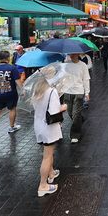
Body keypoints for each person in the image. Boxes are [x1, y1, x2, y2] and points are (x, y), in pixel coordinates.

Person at [31, 65, 67, 196]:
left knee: (48, 152)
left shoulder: (37, 89)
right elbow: (54, 111)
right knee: (47, 156)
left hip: (39, 125)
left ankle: (51, 173)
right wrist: (63, 107)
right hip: (48, 127)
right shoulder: (51, 91)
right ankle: (43, 185)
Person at [0, 51, 23, 142]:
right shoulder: (12, 68)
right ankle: (12, 127)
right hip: (10, 93)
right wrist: (23, 90)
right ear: (8, 58)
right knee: (12, 109)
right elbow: (18, 81)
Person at [64, 53, 91, 143]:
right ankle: (80, 119)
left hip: (79, 92)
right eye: (70, 53)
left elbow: (86, 79)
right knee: (70, 112)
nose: (71, 55)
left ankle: (75, 134)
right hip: (68, 92)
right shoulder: (66, 64)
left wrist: (87, 93)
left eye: (73, 53)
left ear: (78, 54)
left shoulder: (83, 65)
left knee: (75, 114)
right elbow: (63, 78)